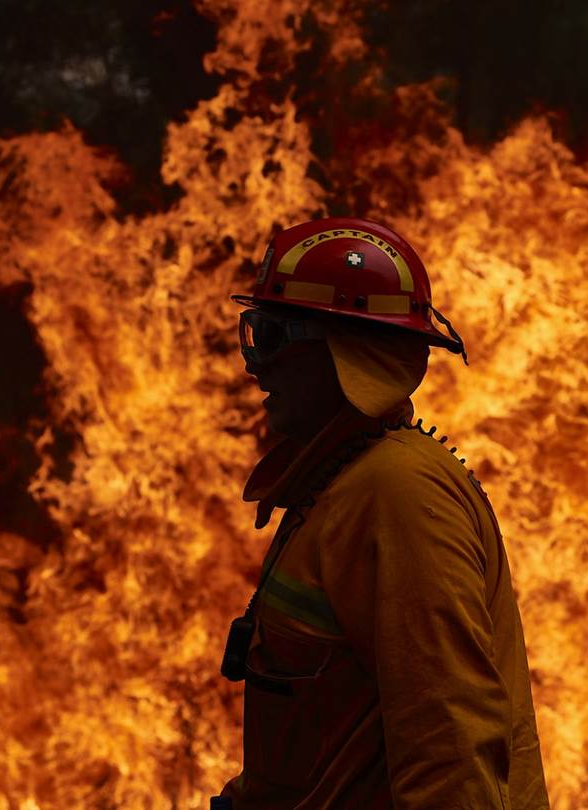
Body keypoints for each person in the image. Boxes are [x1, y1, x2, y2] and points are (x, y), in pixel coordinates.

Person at [215, 217, 550, 809]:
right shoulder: (339, 482)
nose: (254, 366)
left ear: (343, 352)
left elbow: (450, 757)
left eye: (269, 336)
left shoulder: (400, 497)